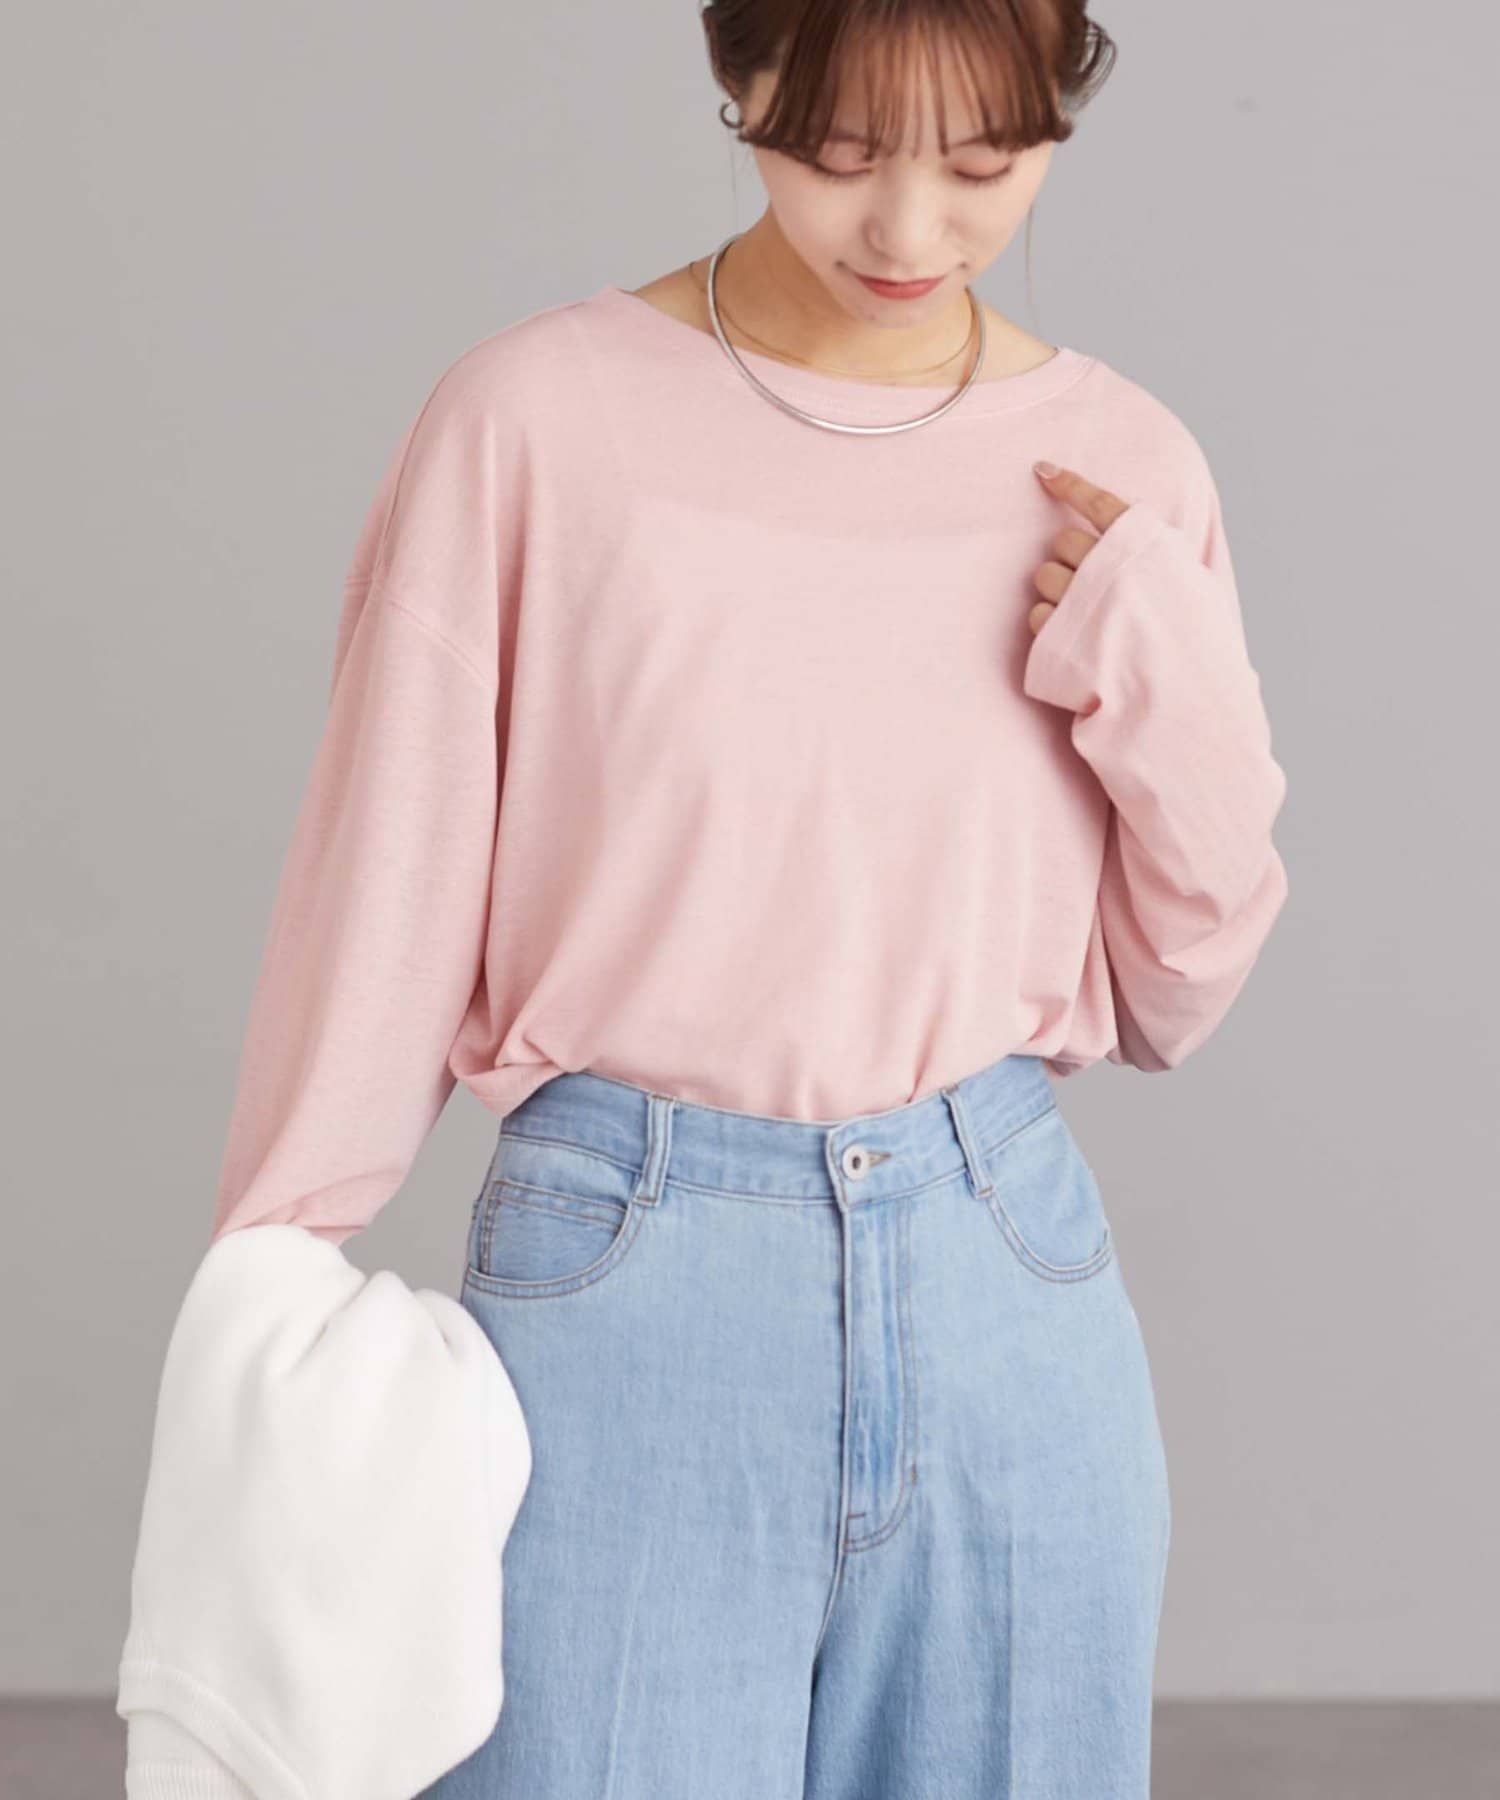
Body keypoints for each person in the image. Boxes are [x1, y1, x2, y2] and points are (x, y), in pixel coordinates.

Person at [143, 2, 1291, 1796]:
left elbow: (1175, 988)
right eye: (840, 155)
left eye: (984, 165)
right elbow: (389, 870)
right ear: (739, 84)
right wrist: (272, 1285)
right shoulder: (535, 421)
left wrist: (1158, 663)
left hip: (1005, 1278)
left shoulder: (1121, 468)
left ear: (1059, 122)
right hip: (628, 1278)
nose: (909, 229)